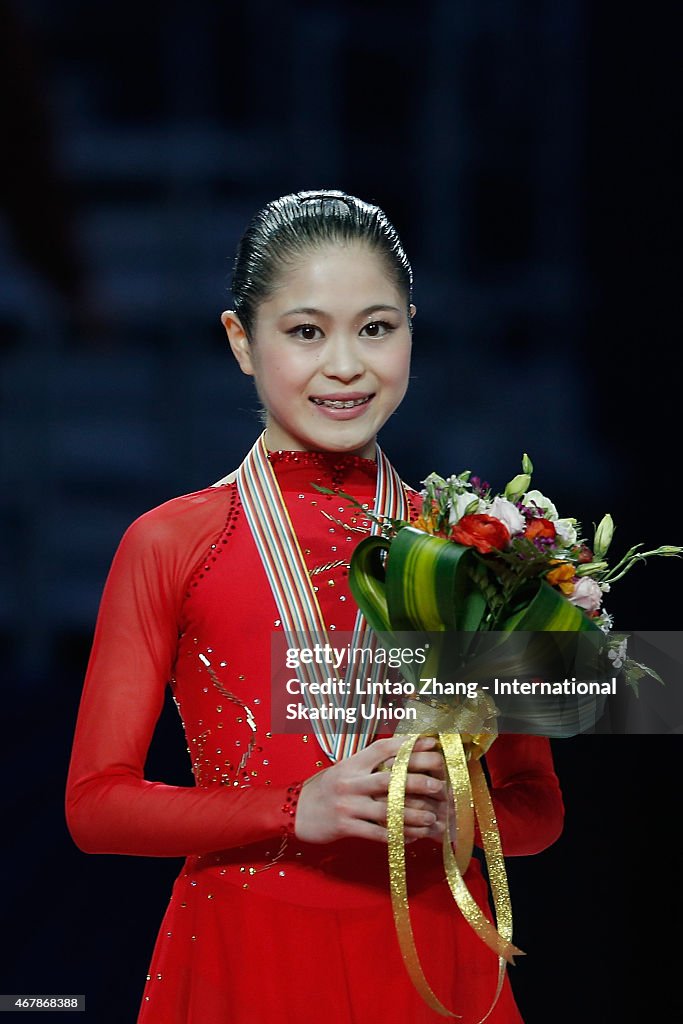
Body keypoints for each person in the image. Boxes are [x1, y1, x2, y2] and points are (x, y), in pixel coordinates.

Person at [65, 190, 564, 1023]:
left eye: (376, 328)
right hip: (246, 952)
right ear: (241, 342)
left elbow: (537, 808)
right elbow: (96, 807)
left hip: (434, 954)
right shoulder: (171, 542)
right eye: (305, 332)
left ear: (410, 330)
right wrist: (298, 808)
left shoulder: (477, 550)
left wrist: (462, 819)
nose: (345, 364)